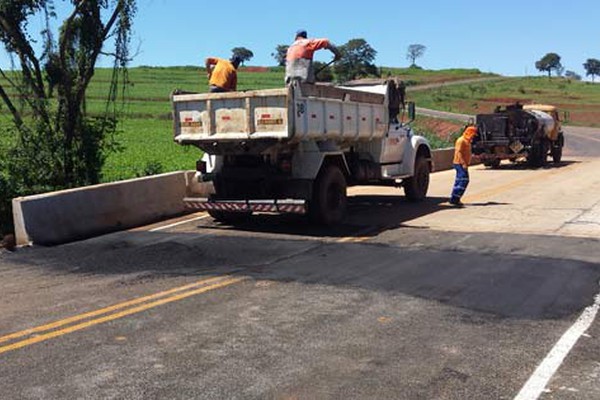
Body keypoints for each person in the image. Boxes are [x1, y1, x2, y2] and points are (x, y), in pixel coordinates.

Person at [449, 125, 478, 206]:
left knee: (460, 180)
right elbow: (459, 153)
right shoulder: (461, 140)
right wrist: (463, 163)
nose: (473, 136)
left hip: (463, 164)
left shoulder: (467, 141)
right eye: (472, 134)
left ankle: (455, 199)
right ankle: (455, 198)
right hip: (459, 163)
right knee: (463, 180)